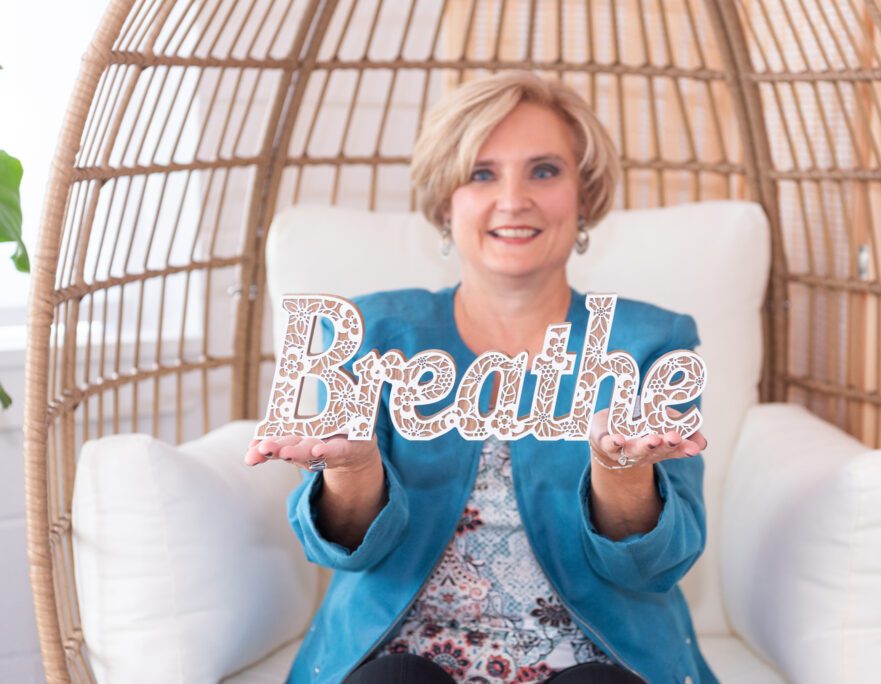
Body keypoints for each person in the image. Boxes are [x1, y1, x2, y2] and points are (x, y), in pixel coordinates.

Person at [246, 71, 716, 684]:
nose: (514, 199)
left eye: (544, 170)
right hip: (406, 660)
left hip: (592, 663)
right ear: (446, 201)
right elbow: (346, 551)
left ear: (585, 196)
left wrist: (620, 471)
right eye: (481, 173)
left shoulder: (652, 343)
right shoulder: (367, 331)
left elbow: (655, 566)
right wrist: (355, 470)